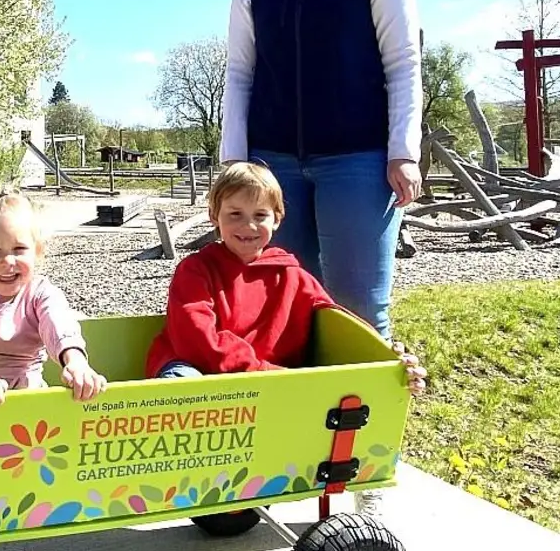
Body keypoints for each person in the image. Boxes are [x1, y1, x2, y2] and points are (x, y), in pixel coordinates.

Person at [219, 0, 424, 345]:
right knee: (281, 302)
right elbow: (239, 75)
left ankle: (362, 419)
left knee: (358, 307)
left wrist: (404, 151)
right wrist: (233, 164)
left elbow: (403, 63)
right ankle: (298, 419)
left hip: (358, 160)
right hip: (273, 166)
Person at [146, 161, 427, 391]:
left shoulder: (291, 274)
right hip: (200, 367)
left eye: (260, 214)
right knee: (183, 386)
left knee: (332, 392)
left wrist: (386, 354)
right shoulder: (196, 270)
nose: (248, 225)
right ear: (214, 216)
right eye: (234, 214)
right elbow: (195, 340)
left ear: (277, 219)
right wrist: (260, 371)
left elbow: (340, 321)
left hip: (270, 380)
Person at [0, 191, 107, 408]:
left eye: (19, 249)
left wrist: (76, 363)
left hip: (26, 390)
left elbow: (60, 325)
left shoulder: (41, 293)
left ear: (38, 251)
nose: (7, 260)